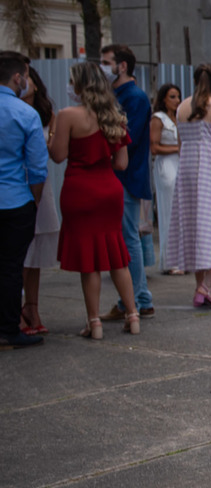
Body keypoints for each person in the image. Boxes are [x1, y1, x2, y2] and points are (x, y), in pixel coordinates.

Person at [51, 62, 141, 339]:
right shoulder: (113, 116)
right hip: (109, 190)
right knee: (117, 255)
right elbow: (122, 163)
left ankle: (95, 322)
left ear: (78, 85)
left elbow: (57, 155)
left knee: (88, 260)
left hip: (79, 189)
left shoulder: (67, 115)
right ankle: (133, 315)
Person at [165, 64, 211, 308]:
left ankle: (203, 288)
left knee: (195, 226)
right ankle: (205, 287)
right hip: (209, 168)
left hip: (187, 169)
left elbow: (179, 140)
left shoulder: (182, 106)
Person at [98, 43, 155, 321]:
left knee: (128, 237)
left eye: (106, 62)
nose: (102, 66)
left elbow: (125, 139)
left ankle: (138, 299)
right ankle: (135, 298)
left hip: (126, 177)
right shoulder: (123, 95)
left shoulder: (133, 97)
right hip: (124, 176)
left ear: (122, 66)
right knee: (126, 237)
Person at [0, 51, 48, 349]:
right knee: (10, 267)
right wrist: (35, 200)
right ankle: (7, 328)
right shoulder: (25, 114)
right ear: (18, 78)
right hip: (15, 200)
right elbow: (37, 168)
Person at [20, 65, 63, 336]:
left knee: (34, 252)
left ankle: (32, 306)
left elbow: (53, 152)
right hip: (18, 182)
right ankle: (18, 310)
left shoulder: (47, 114)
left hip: (39, 183)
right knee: (18, 253)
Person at [150, 83, 185, 275]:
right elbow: (154, 147)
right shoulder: (158, 119)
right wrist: (177, 149)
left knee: (180, 211)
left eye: (178, 96)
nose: (177, 100)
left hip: (179, 164)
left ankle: (182, 258)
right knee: (169, 210)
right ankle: (170, 260)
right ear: (164, 98)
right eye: (172, 96)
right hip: (166, 165)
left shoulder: (178, 117)